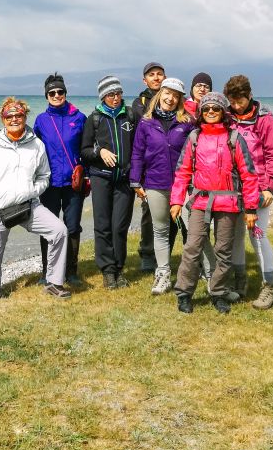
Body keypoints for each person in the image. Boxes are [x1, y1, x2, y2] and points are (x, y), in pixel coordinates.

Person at [0, 97, 72, 300]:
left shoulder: (37, 145)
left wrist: (33, 190)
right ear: (2, 118)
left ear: (25, 116)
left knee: (59, 231)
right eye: (10, 116)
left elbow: (44, 176)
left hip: (28, 206)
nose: (14, 119)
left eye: (19, 115)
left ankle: (54, 282)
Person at [170, 92, 259, 315]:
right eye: (207, 108)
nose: (211, 112)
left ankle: (218, 292)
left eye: (215, 109)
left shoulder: (234, 138)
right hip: (200, 200)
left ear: (222, 112)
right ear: (200, 113)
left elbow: (249, 175)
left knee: (223, 250)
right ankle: (184, 293)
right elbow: (182, 172)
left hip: (228, 201)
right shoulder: (194, 138)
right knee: (192, 247)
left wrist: (250, 208)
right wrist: (176, 201)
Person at [129, 77, 194, 295]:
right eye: (167, 93)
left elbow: (197, 152)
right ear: (160, 94)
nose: (170, 98)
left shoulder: (187, 123)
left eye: (175, 96)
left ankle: (201, 270)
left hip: (183, 185)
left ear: (180, 100)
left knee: (193, 229)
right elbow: (137, 152)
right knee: (160, 230)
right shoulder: (146, 122)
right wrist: (135, 180)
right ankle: (163, 274)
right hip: (155, 183)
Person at [224, 74, 273, 309]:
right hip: (230, 188)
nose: (236, 106)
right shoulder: (227, 117)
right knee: (235, 236)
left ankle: (269, 287)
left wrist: (269, 187)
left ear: (250, 95)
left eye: (240, 101)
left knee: (257, 235)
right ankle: (240, 282)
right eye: (232, 102)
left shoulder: (265, 120)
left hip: (257, 188)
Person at [33, 72, 87, 287]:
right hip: (49, 184)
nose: (56, 95)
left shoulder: (79, 118)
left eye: (60, 92)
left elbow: (86, 148)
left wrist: (87, 175)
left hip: (74, 183)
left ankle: (72, 271)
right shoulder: (41, 121)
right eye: (52, 92)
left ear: (65, 93)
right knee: (49, 228)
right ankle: (48, 271)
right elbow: (33, 151)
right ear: (46, 96)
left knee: (72, 227)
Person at [81, 75, 136, 289]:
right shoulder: (94, 118)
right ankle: (108, 271)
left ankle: (119, 269)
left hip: (124, 180)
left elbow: (138, 146)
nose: (115, 98)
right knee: (103, 226)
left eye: (118, 93)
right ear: (103, 96)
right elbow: (84, 151)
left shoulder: (129, 115)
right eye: (111, 94)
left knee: (120, 226)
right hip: (101, 178)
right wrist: (99, 151)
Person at [131, 62, 166, 273]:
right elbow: (137, 136)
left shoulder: (172, 98)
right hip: (148, 165)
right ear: (145, 80)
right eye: (151, 75)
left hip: (168, 163)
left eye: (159, 74)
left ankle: (164, 252)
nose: (156, 78)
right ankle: (146, 253)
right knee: (148, 211)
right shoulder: (139, 102)